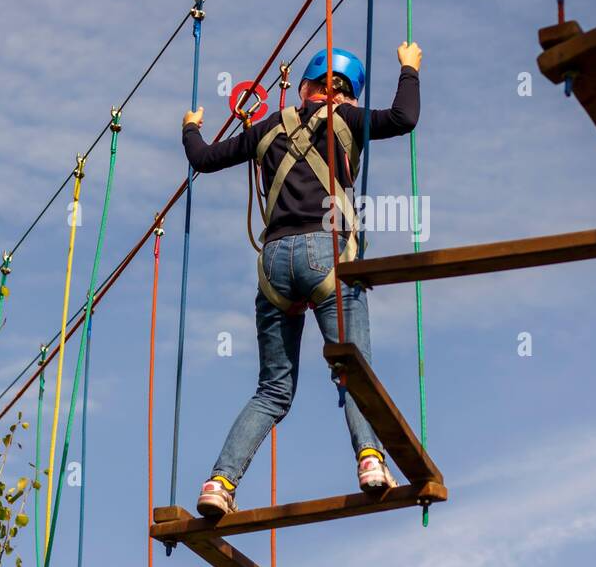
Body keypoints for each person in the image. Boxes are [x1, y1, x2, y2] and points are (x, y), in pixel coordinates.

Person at [181, 41, 422, 516]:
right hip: (325, 255)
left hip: (273, 265)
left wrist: (191, 128)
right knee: (354, 372)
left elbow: (203, 159)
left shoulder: (267, 127)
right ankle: (370, 459)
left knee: (272, 391)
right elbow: (404, 118)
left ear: (307, 88)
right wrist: (409, 69)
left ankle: (218, 483)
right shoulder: (348, 119)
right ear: (347, 95)